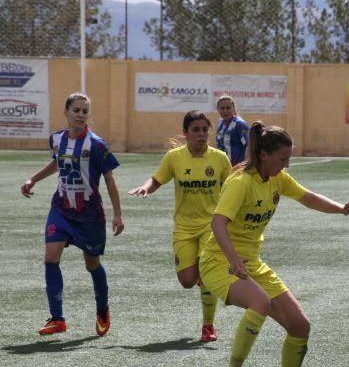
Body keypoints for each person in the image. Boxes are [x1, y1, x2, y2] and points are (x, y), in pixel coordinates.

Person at [202, 122, 349, 367]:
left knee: (301, 325)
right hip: (219, 261)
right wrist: (233, 259)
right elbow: (218, 223)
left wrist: (341, 209)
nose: (286, 165)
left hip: (251, 262)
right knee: (260, 302)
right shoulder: (241, 182)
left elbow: (308, 198)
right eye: (283, 159)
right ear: (264, 155)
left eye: (289, 159)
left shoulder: (277, 179)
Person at [20, 92, 124, 336]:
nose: (80, 115)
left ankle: (102, 310)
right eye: (76, 110)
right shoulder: (56, 138)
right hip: (61, 209)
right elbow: (57, 162)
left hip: (89, 215)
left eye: (85, 111)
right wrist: (33, 179)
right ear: (66, 112)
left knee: (92, 265)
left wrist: (118, 214)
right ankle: (58, 319)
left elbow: (109, 178)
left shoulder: (97, 144)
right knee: (50, 257)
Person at [128, 111, 232, 343]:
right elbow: (156, 179)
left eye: (205, 130)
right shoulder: (174, 157)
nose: (201, 134)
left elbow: (232, 187)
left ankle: (208, 326)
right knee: (187, 281)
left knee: (205, 275)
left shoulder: (220, 158)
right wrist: (146, 187)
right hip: (184, 228)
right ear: (185, 133)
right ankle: (204, 281)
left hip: (210, 226)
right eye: (195, 130)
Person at [216, 95, 249, 166]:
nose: (225, 111)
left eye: (228, 108)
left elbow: (249, 147)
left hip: (236, 168)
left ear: (233, 108)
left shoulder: (239, 124)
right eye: (222, 108)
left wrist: (244, 166)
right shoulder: (220, 122)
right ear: (218, 109)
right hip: (222, 167)